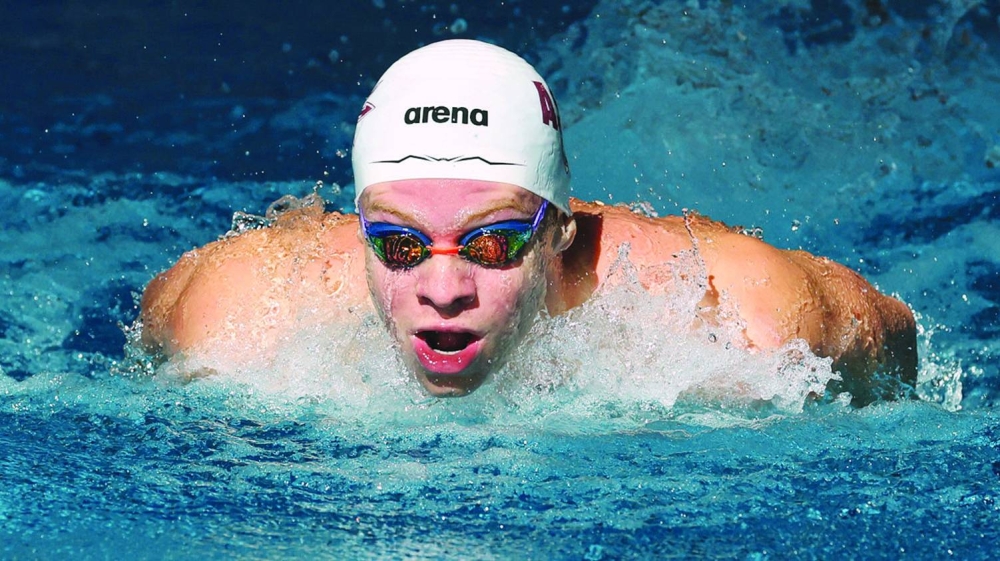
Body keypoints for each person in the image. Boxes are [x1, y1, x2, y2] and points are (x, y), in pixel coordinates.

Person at [139, 40, 917, 404]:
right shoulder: (233, 316)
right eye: (403, 244)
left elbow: (897, 339)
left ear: (560, 232)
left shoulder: (741, 321)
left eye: (492, 242)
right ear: (361, 231)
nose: (444, 289)